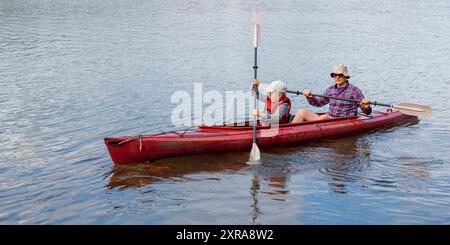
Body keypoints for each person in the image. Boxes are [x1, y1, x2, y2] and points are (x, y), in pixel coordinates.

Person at [291, 64, 371, 123]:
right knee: (302, 111)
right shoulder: (330, 89)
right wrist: (309, 97)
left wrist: (366, 106)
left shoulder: (354, 90)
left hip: (344, 121)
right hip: (329, 118)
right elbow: (318, 103)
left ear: (346, 77)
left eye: (340, 75)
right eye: (335, 75)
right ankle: (291, 131)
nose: (337, 77)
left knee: (323, 117)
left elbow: (366, 112)